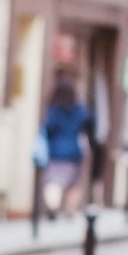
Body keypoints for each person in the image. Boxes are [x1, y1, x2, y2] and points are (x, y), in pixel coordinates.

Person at [40, 74, 95, 217]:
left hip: (57, 151)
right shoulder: (79, 109)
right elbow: (88, 122)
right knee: (73, 184)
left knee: (54, 181)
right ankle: (70, 210)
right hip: (74, 152)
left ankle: (53, 207)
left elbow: (48, 128)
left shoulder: (53, 110)